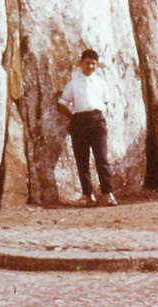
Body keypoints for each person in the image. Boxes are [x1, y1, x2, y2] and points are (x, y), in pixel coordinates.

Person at [57, 49, 117, 207]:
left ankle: (107, 194)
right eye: (87, 63)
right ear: (81, 63)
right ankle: (88, 195)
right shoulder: (74, 83)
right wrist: (73, 118)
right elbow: (62, 104)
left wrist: (99, 116)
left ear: (96, 65)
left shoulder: (101, 83)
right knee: (82, 159)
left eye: (93, 63)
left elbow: (105, 102)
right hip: (80, 122)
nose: (90, 66)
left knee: (102, 158)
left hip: (97, 121)